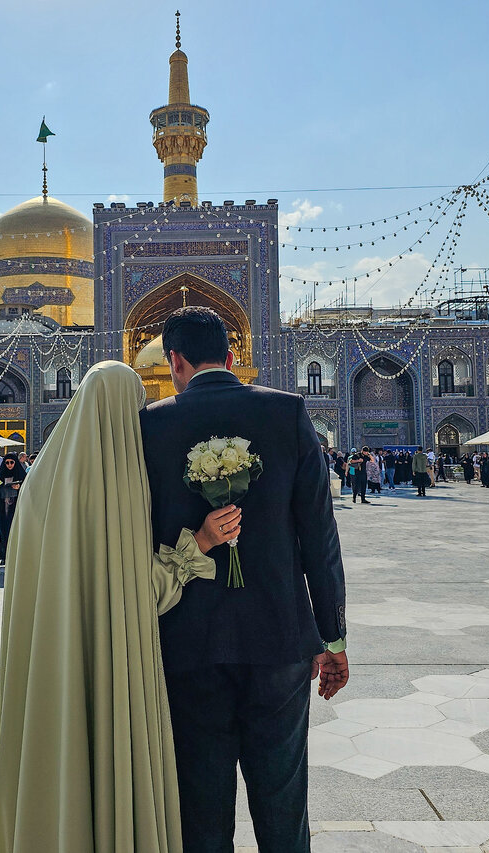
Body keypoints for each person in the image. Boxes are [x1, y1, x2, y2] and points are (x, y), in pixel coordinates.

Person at [0, 359, 239, 853]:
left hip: (49, 665)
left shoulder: (39, 485)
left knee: (54, 758)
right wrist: (202, 544)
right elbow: (138, 593)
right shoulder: (116, 488)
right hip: (111, 664)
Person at [138, 307, 346, 852]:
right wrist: (333, 636)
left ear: (174, 361)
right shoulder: (287, 412)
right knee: (282, 806)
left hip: (188, 645)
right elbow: (319, 537)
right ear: (232, 357)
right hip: (279, 639)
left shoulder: (150, 426)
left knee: (202, 811)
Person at [0, 454, 26, 561]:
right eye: (7, 462)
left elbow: (27, 485)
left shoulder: (20, 473)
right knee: (4, 530)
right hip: (4, 506)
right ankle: (5, 555)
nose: (9, 465)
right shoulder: (1, 472)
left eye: (11, 462)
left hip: (17, 506)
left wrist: (19, 487)